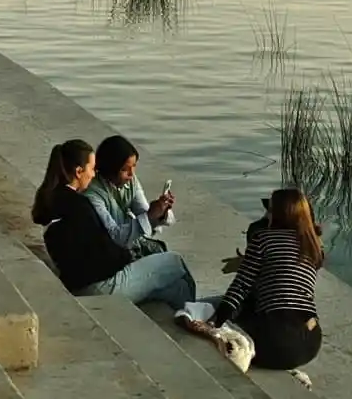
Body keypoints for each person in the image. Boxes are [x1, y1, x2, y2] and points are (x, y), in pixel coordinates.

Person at [31, 140, 196, 309]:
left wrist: (157, 214)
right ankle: (198, 318)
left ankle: (188, 317)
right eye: (92, 169)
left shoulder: (55, 198)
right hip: (98, 287)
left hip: (82, 282)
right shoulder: (81, 204)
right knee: (175, 261)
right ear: (79, 172)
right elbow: (106, 248)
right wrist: (127, 259)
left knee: (176, 289)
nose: (94, 174)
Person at [205, 188, 324, 371]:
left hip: (273, 342)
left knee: (224, 315)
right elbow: (285, 271)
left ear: (279, 214)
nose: (266, 215)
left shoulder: (262, 238)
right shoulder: (314, 247)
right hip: (310, 343)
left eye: (270, 210)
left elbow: (240, 288)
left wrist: (214, 323)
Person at [81, 135, 175, 256]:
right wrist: (150, 216)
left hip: (129, 246)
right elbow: (115, 236)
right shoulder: (93, 194)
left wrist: (161, 212)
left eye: (134, 166)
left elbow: (143, 212)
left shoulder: (130, 181)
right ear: (110, 169)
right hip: (109, 255)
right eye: (125, 169)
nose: (132, 174)